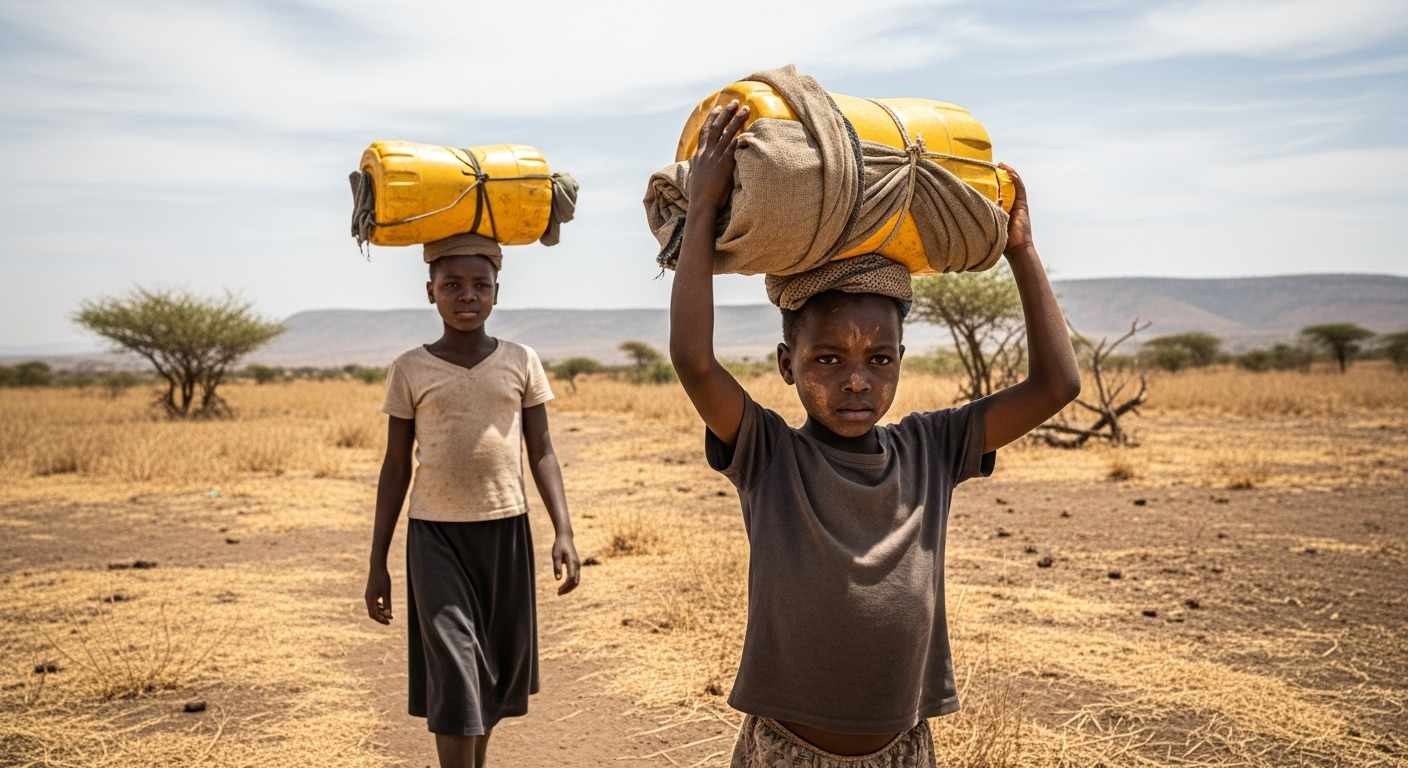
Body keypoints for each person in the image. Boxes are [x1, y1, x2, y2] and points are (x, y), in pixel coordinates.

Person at [669, 101, 1081, 766]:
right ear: (786, 365)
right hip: (787, 753)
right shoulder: (770, 455)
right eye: (827, 359)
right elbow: (693, 360)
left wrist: (1023, 250)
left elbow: (1057, 386)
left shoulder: (932, 449)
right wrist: (705, 205)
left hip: (904, 752)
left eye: (878, 359)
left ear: (899, 363)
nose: (855, 380)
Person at [363, 232, 581, 768]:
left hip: (506, 531)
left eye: (480, 285)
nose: (467, 295)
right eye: (452, 285)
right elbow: (395, 468)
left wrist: (564, 531)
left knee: (491, 676)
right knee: (457, 672)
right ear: (430, 291)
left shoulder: (521, 360)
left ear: (496, 293)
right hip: (435, 535)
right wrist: (377, 563)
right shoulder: (410, 368)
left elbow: (543, 451)